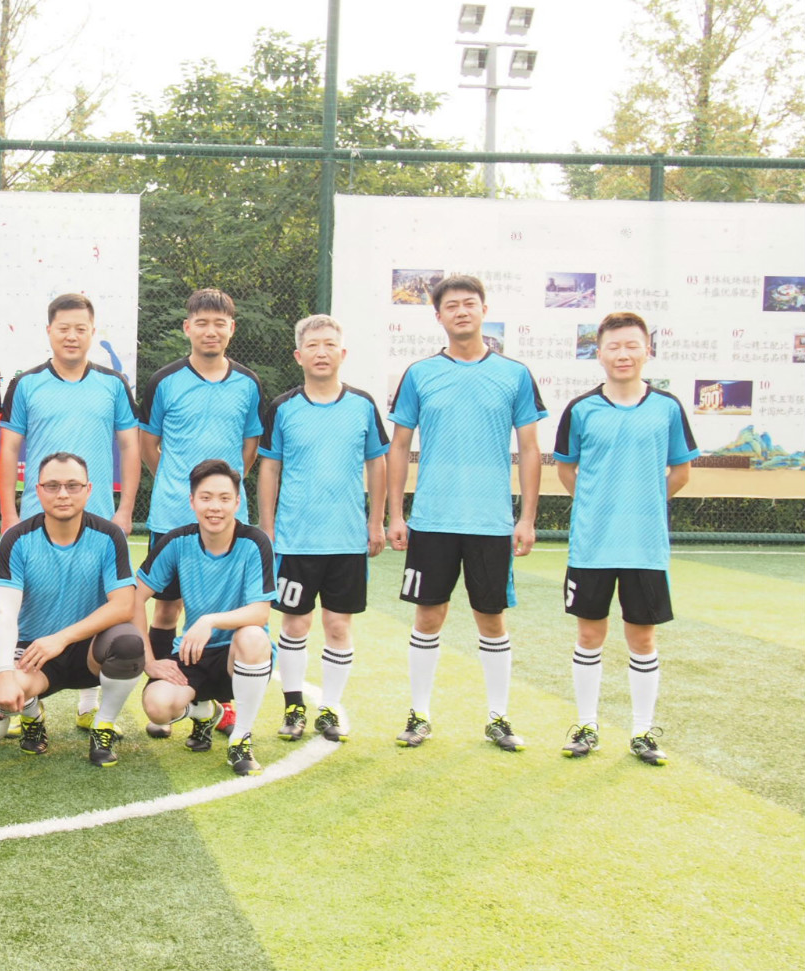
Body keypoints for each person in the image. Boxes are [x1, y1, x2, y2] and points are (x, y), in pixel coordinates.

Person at [386, 274, 546, 751]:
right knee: (428, 617)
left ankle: (498, 718)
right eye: (451, 305)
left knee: (491, 619)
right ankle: (419, 715)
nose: (461, 311)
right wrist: (396, 514)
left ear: (483, 310)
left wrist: (527, 518)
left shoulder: (514, 374)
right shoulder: (420, 374)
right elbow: (399, 446)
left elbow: (530, 448)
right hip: (432, 520)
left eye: (469, 303)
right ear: (438, 316)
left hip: (490, 523)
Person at [553, 311, 697, 766]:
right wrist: (598, 503)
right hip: (592, 544)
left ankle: (641, 731)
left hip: (645, 546)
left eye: (632, 345)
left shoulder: (667, 408)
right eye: (613, 346)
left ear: (647, 351)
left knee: (642, 639)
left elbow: (681, 472)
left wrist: (644, 501)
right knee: (589, 634)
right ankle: (586, 725)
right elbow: (566, 470)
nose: (623, 354)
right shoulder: (581, 409)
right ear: (599, 353)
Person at [0, 292, 140, 727]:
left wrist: (125, 508)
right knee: (29, 603)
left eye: (81, 329)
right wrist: (8, 512)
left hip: (98, 516)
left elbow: (130, 446)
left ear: (93, 332)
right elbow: (9, 449)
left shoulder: (113, 384)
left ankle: (89, 703)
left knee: (97, 602)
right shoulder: (26, 384)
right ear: (49, 332)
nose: (72, 336)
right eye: (64, 328)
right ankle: (25, 693)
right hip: (36, 515)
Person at [136, 288, 265, 739]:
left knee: (227, 610)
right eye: (203, 323)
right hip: (172, 516)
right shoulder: (164, 381)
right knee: (166, 609)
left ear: (232, 329)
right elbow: (149, 444)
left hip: (225, 520)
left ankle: (221, 703)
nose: (211, 331)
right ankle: (166, 683)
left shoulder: (248, 383)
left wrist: (219, 494)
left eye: (220, 323)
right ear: (187, 327)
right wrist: (181, 487)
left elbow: (250, 448)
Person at [258, 315, 389, 743]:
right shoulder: (283, 408)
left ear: (342, 353)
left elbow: (377, 464)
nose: (321, 352)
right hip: (296, 539)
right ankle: (294, 706)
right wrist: (267, 528)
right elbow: (269, 469)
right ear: (299, 356)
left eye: (330, 345)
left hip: (346, 539)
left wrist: (376, 522)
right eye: (313, 345)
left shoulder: (362, 405)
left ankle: (330, 708)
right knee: (295, 626)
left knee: (338, 627)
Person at [0, 452, 144, 767]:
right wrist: (4, 672)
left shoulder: (109, 536)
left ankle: (103, 726)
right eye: (52, 485)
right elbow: (5, 612)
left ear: (88, 490)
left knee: (129, 643)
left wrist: (62, 638)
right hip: (36, 653)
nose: (62, 494)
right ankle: (32, 718)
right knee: (1, 685)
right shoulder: (16, 539)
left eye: (73, 485)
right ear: (37, 490)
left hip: (91, 652)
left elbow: (124, 605)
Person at [136, 459, 276, 776]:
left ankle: (241, 739)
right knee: (157, 708)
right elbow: (133, 599)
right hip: (193, 652)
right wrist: (149, 661)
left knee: (253, 636)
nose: (215, 507)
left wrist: (209, 620)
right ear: (192, 501)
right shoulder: (176, 542)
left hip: (236, 656)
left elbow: (260, 611)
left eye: (224, 498)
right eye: (206, 497)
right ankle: (204, 712)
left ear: (237, 503)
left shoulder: (255, 542)